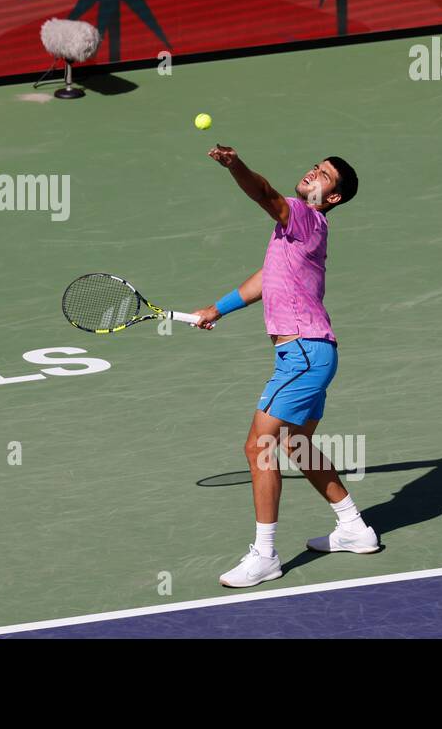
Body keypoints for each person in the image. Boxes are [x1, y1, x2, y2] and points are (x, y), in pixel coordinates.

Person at [190, 146, 377, 588]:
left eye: (325, 176)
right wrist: (218, 308)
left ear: (332, 198)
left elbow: (264, 193)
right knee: (296, 445)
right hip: (315, 353)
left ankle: (265, 554)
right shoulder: (294, 233)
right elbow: (265, 277)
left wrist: (235, 166)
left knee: (259, 448)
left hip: (304, 354)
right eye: (317, 166)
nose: (315, 172)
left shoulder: (304, 215)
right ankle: (354, 527)